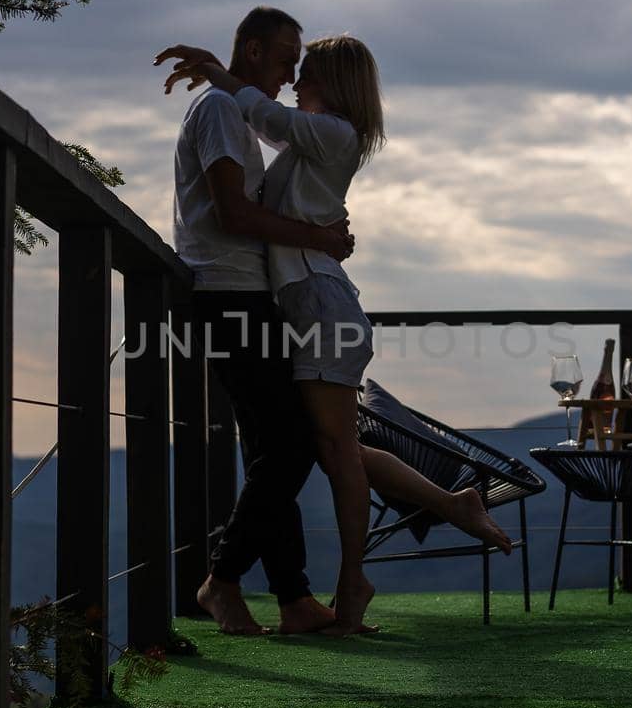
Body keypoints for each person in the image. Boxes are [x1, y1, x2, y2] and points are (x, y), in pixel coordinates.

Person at [156, 32, 513, 635]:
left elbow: (266, 115)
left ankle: (353, 578)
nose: (297, 83)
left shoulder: (333, 132)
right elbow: (269, 131)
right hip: (312, 305)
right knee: (326, 447)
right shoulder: (316, 142)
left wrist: (218, 72)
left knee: (333, 451)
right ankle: (450, 504)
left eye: (309, 74)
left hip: (321, 308)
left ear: (335, 83)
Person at [165, 6, 343, 636]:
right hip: (228, 295)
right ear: (254, 48)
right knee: (291, 447)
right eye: (287, 57)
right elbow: (233, 214)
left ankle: (293, 598)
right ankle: (222, 579)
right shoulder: (216, 111)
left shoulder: (231, 107)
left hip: (245, 295)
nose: (292, 72)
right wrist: (317, 237)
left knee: (273, 449)